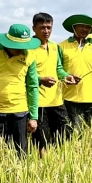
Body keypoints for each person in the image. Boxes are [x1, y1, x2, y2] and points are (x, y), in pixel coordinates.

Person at [0, 24, 40, 155]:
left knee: (20, 152)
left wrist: (33, 116)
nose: (21, 50)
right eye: (17, 46)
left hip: (19, 112)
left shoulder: (30, 56)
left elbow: (33, 86)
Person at [31, 13, 73, 157]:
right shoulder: (29, 48)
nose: (46, 31)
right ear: (34, 28)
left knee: (63, 132)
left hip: (56, 99)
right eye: (42, 28)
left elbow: (58, 69)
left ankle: (60, 160)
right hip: (38, 100)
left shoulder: (55, 47)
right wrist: (40, 79)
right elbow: (24, 73)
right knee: (40, 136)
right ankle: (43, 162)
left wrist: (66, 76)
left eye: (49, 27)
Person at [59, 14, 92, 130]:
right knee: (73, 132)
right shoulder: (62, 47)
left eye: (87, 27)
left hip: (91, 98)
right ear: (73, 27)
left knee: (89, 132)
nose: (84, 29)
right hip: (70, 98)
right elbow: (58, 69)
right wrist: (66, 76)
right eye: (81, 26)